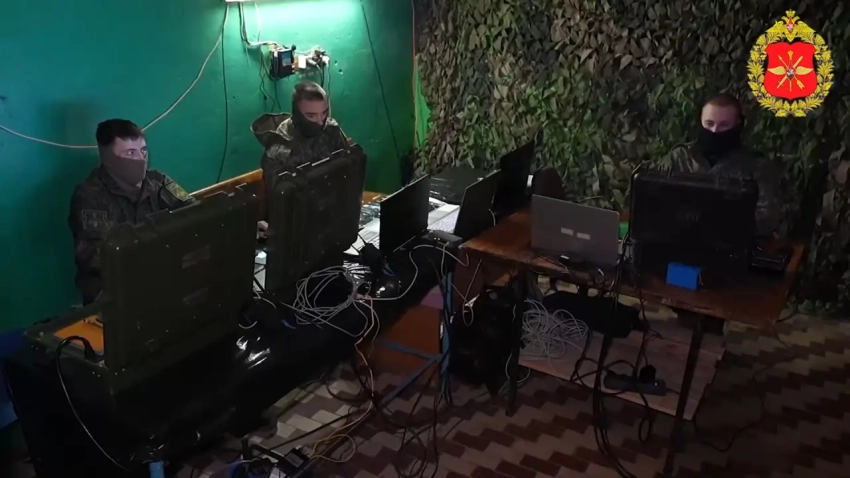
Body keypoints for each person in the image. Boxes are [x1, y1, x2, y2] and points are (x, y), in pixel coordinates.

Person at [68, 119, 196, 304]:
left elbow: (195, 212)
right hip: (113, 291)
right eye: (130, 153)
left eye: (143, 151)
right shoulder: (90, 195)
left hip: (162, 275)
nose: (141, 159)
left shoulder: (156, 180)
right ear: (108, 158)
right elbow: (98, 258)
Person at [662, 93, 784, 237]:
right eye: (709, 123)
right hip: (678, 239)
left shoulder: (756, 165)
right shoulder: (680, 157)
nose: (714, 131)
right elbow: (653, 198)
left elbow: (768, 218)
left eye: (724, 125)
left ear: (738, 124)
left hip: (731, 244)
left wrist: (720, 223)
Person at [252, 81, 348, 191]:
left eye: (324, 113)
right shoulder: (280, 148)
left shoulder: (331, 130)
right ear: (296, 113)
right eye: (311, 116)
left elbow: (348, 166)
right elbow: (279, 195)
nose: (320, 121)